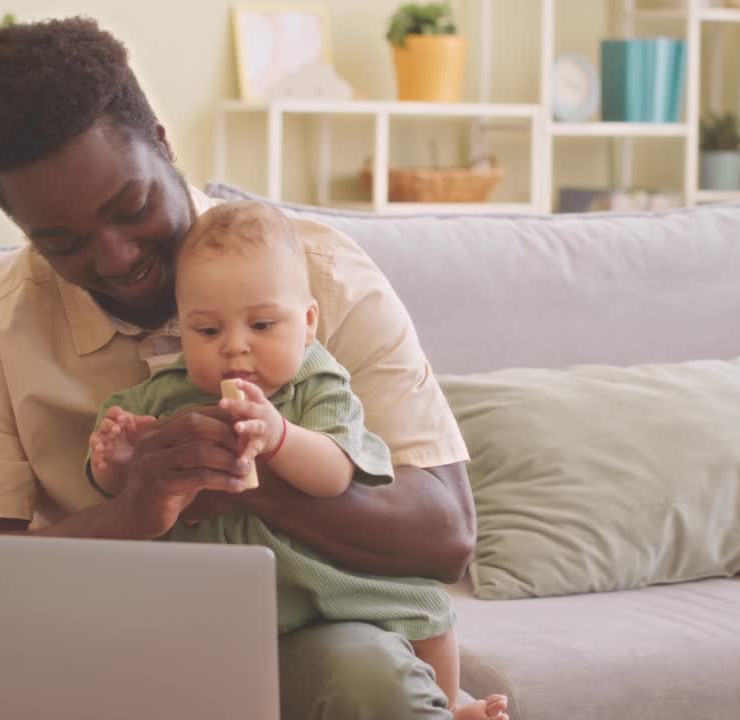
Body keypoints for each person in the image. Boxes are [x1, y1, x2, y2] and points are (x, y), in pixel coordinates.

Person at [0, 16, 484, 720]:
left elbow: (446, 535)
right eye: (63, 242)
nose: (118, 257)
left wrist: (250, 476)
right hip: (110, 641)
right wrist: (135, 509)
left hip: (317, 628)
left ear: (162, 141)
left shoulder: (318, 277)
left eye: (132, 207)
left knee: (369, 677)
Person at [86, 201, 507, 720]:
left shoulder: (318, 383)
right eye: (208, 331)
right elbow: (119, 491)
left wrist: (279, 435)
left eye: (262, 325)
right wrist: (117, 458)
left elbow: (335, 474)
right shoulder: (163, 397)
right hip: (222, 599)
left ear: (307, 323)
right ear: (182, 330)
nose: (235, 348)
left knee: (426, 609)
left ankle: (445, 707)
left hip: (322, 574)